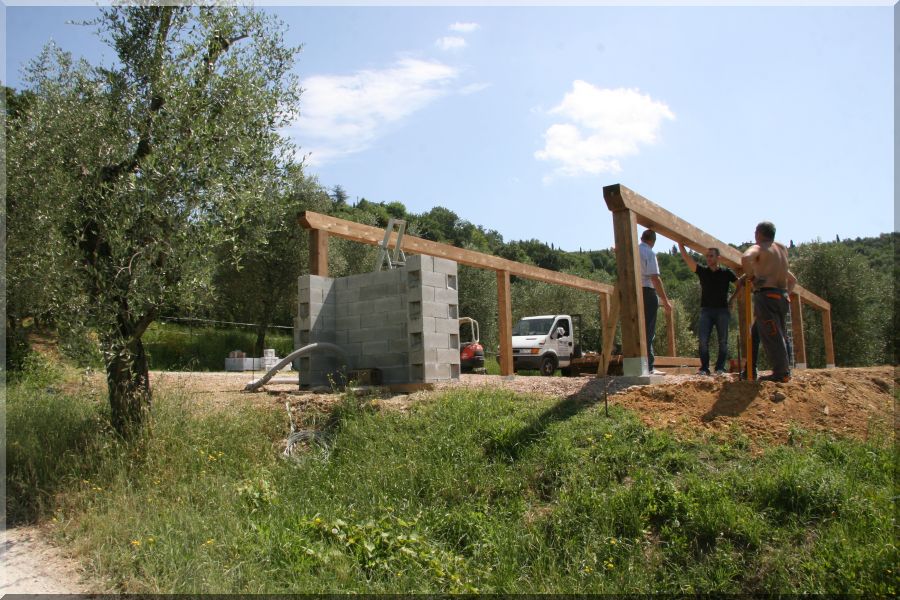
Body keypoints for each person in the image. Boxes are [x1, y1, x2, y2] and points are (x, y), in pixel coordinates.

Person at [740, 221, 797, 383]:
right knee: (758, 333)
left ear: (758, 233)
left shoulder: (760, 248)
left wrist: (752, 277)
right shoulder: (781, 249)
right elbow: (792, 279)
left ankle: (782, 374)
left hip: (766, 297)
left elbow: (745, 258)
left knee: (773, 335)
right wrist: (786, 294)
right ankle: (749, 369)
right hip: (781, 297)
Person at [678, 243, 738, 375]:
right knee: (703, 340)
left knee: (723, 341)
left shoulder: (726, 273)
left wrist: (733, 299)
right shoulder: (703, 271)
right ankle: (704, 368)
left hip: (722, 311)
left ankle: (719, 368)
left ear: (718, 258)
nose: (708, 259)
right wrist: (681, 245)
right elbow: (689, 261)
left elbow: (740, 285)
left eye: (711, 256)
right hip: (706, 311)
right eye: (707, 256)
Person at [639, 229, 672, 375]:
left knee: (637, 329)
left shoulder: (633, 250)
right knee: (648, 330)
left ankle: (638, 365)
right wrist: (665, 301)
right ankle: (649, 367)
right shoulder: (650, 253)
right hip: (647, 292)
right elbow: (655, 278)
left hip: (634, 292)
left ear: (641, 238)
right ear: (653, 241)